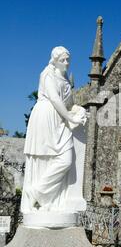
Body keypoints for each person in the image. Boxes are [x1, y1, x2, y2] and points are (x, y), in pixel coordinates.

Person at [21, 47, 87, 214]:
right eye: (63, 60)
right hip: (47, 117)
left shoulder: (64, 79)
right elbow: (55, 100)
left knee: (66, 159)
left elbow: (69, 104)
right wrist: (71, 118)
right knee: (47, 158)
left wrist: (79, 111)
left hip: (61, 119)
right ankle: (43, 199)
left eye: (67, 60)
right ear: (55, 60)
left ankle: (37, 192)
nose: (66, 63)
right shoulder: (47, 74)